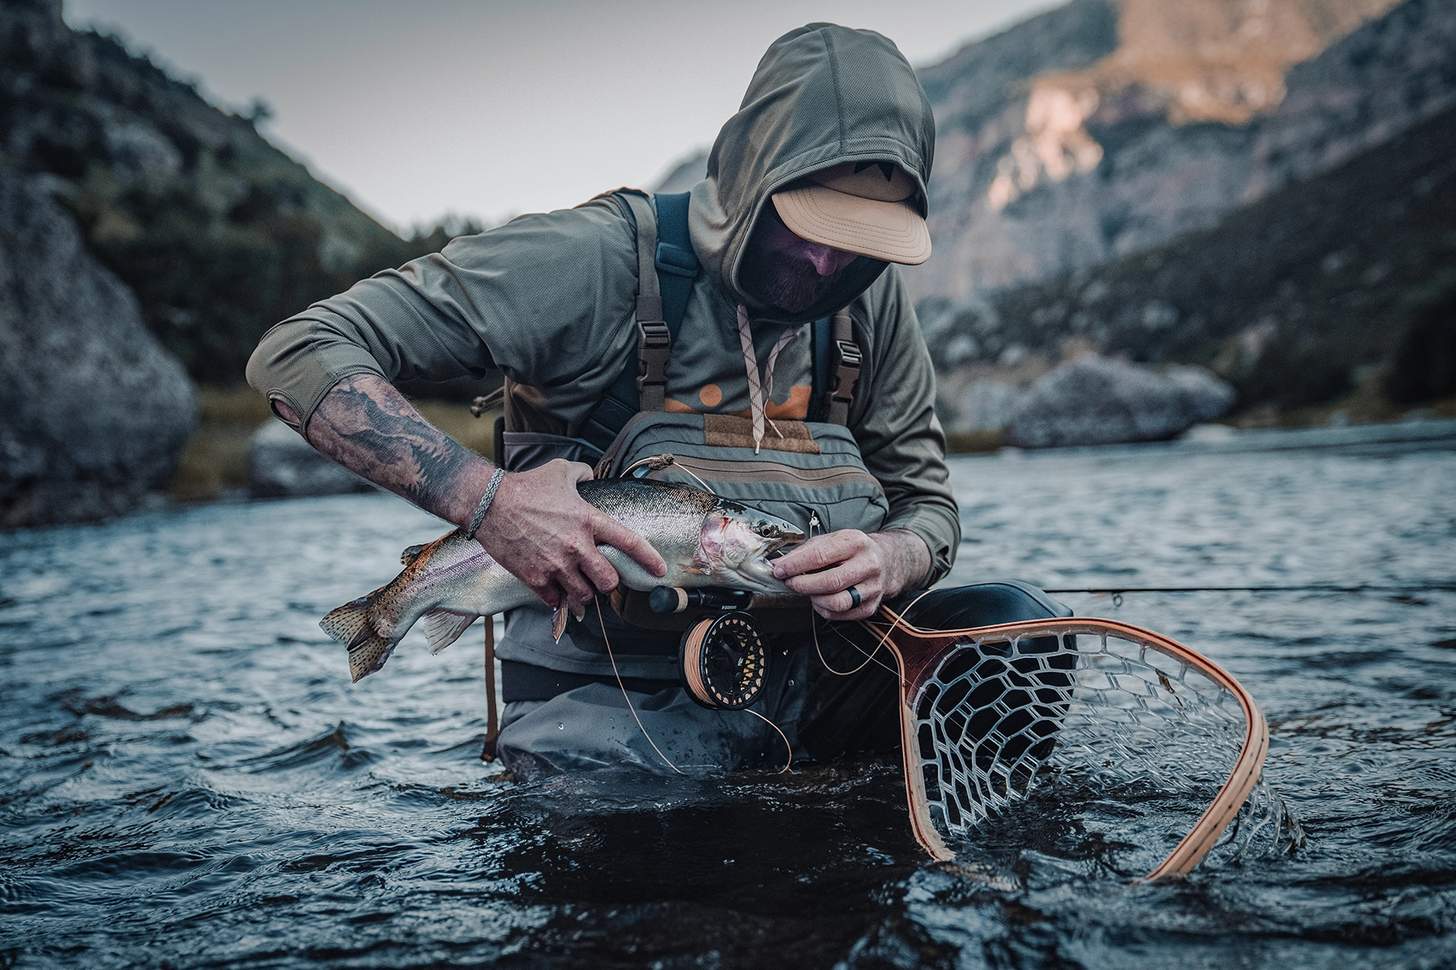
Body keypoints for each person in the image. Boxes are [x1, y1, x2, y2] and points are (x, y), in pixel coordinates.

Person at [247, 23, 1068, 775]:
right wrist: (489, 502)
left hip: (820, 680)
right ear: (749, 176)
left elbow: (927, 502)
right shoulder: (594, 261)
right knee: (666, 864)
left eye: (858, 239)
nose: (827, 264)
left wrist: (896, 556)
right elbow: (297, 354)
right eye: (808, 223)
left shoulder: (871, 298)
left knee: (1017, 631)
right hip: (606, 709)